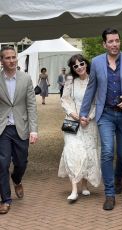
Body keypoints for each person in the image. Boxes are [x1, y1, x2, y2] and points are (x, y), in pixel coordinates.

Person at [80, 28, 122, 211]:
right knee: (108, 152)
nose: (114, 44)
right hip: (106, 114)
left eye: (117, 40)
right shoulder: (97, 62)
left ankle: (118, 177)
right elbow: (91, 89)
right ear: (104, 44)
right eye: (111, 41)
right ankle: (109, 194)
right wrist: (83, 113)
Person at [0, 46, 38, 214]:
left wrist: (34, 129)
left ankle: (16, 179)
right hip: (3, 128)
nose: (11, 60)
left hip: (21, 126)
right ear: (1, 61)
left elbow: (31, 105)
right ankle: (6, 199)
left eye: (13, 57)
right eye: (7, 58)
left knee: (21, 163)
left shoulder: (26, 79)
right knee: (2, 164)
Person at [58, 54, 101, 203]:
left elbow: (98, 102)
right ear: (72, 68)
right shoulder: (70, 81)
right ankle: (74, 190)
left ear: (86, 64)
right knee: (72, 152)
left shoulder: (94, 80)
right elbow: (65, 100)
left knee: (87, 152)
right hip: (72, 122)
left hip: (89, 122)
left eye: (81, 64)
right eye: (75, 66)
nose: (79, 67)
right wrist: (75, 115)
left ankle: (84, 184)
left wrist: (88, 117)